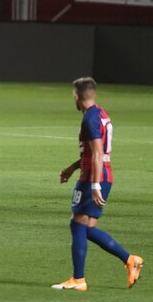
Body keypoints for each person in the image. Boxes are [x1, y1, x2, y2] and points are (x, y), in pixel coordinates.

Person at [51, 77, 144, 291]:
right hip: (102, 174)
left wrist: (94, 185)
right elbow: (93, 151)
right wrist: (72, 168)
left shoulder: (90, 119)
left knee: (77, 225)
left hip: (94, 177)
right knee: (88, 229)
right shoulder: (101, 114)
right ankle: (130, 260)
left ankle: (78, 280)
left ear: (77, 96)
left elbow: (98, 152)